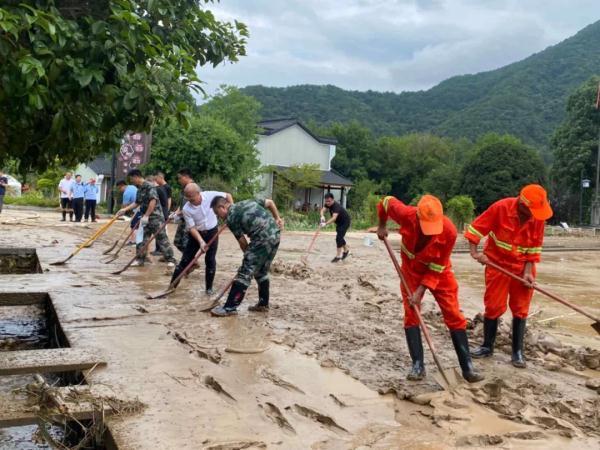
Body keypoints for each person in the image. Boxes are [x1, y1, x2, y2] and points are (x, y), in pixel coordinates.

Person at [377, 194, 483, 383]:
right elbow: (385, 202)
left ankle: (468, 368)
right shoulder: (406, 214)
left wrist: (420, 291)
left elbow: (437, 267)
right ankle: (418, 365)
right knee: (412, 312)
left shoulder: (449, 231)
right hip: (411, 270)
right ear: (418, 216)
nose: (431, 232)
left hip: (439, 272)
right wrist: (382, 225)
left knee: (453, 313)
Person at [466, 184, 553, 369]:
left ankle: (517, 353)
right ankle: (487, 346)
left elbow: (534, 248)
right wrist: (475, 253)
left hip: (522, 268)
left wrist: (528, 272)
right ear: (522, 204)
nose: (534, 215)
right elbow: (476, 229)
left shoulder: (537, 218)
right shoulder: (501, 208)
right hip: (497, 264)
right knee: (493, 305)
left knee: (521, 308)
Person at [210, 196, 284, 316]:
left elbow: (242, 241)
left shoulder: (231, 217)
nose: (218, 217)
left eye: (217, 213)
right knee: (261, 272)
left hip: (261, 239)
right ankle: (263, 304)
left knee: (244, 273)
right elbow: (270, 202)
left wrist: (248, 259)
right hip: (275, 235)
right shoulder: (247, 201)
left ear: (222, 207)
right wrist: (278, 219)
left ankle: (229, 308)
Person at [170, 184, 234, 295]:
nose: (190, 201)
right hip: (196, 235)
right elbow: (192, 228)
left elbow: (228, 195)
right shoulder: (186, 208)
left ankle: (209, 289)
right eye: (188, 198)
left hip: (212, 232)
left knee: (210, 260)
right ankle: (172, 287)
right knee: (185, 260)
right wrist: (201, 242)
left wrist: (232, 212)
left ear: (198, 193)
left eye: (192, 198)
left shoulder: (210, 195)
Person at [116, 169, 177, 267]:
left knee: (162, 238)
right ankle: (140, 259)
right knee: (141, 238)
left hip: (155, 217)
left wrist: (147, 215)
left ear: (136, 177)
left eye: (132, 179)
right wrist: (125, 209)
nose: (132, 182)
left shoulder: (150, 186)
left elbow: (152, 201)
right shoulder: (140, 188)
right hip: (145, 218)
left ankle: (171, 259)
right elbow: (137, 203)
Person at [320, 193, 351, 262]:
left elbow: (334, 218)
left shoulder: (336, 206)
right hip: (339, 223)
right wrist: (322, 217)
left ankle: (338, 256)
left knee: (338, 238)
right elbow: (322, 210)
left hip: (345, 222)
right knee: (340, 237)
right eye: (326, 201)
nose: (327, 203)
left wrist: (325, 223)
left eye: (329, 201)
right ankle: (346, 251)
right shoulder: (327, 204)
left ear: (333, 200)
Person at [174, 168, 195, 252]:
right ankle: (189, 259)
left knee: (185, 243)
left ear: (186, 177)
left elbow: (193, 205)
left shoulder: (193, 188)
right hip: (183, 219)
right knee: (178, 242)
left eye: (180, 178)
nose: (179, 180)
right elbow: (182, 204)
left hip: (190, 219)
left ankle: (191, 261)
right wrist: (177, 212)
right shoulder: (185, 188)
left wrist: (180, 212)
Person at [117, 179, 140, 243]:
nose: (120, 190)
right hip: (138, 208)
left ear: (122, 185)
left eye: (119, 188)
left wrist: (120, 213)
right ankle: (134, 240)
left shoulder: (126, 193)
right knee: (135, 225)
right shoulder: (132, 186)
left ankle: (133, 241)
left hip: (138, 209)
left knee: (134, 225)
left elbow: (124, 206)